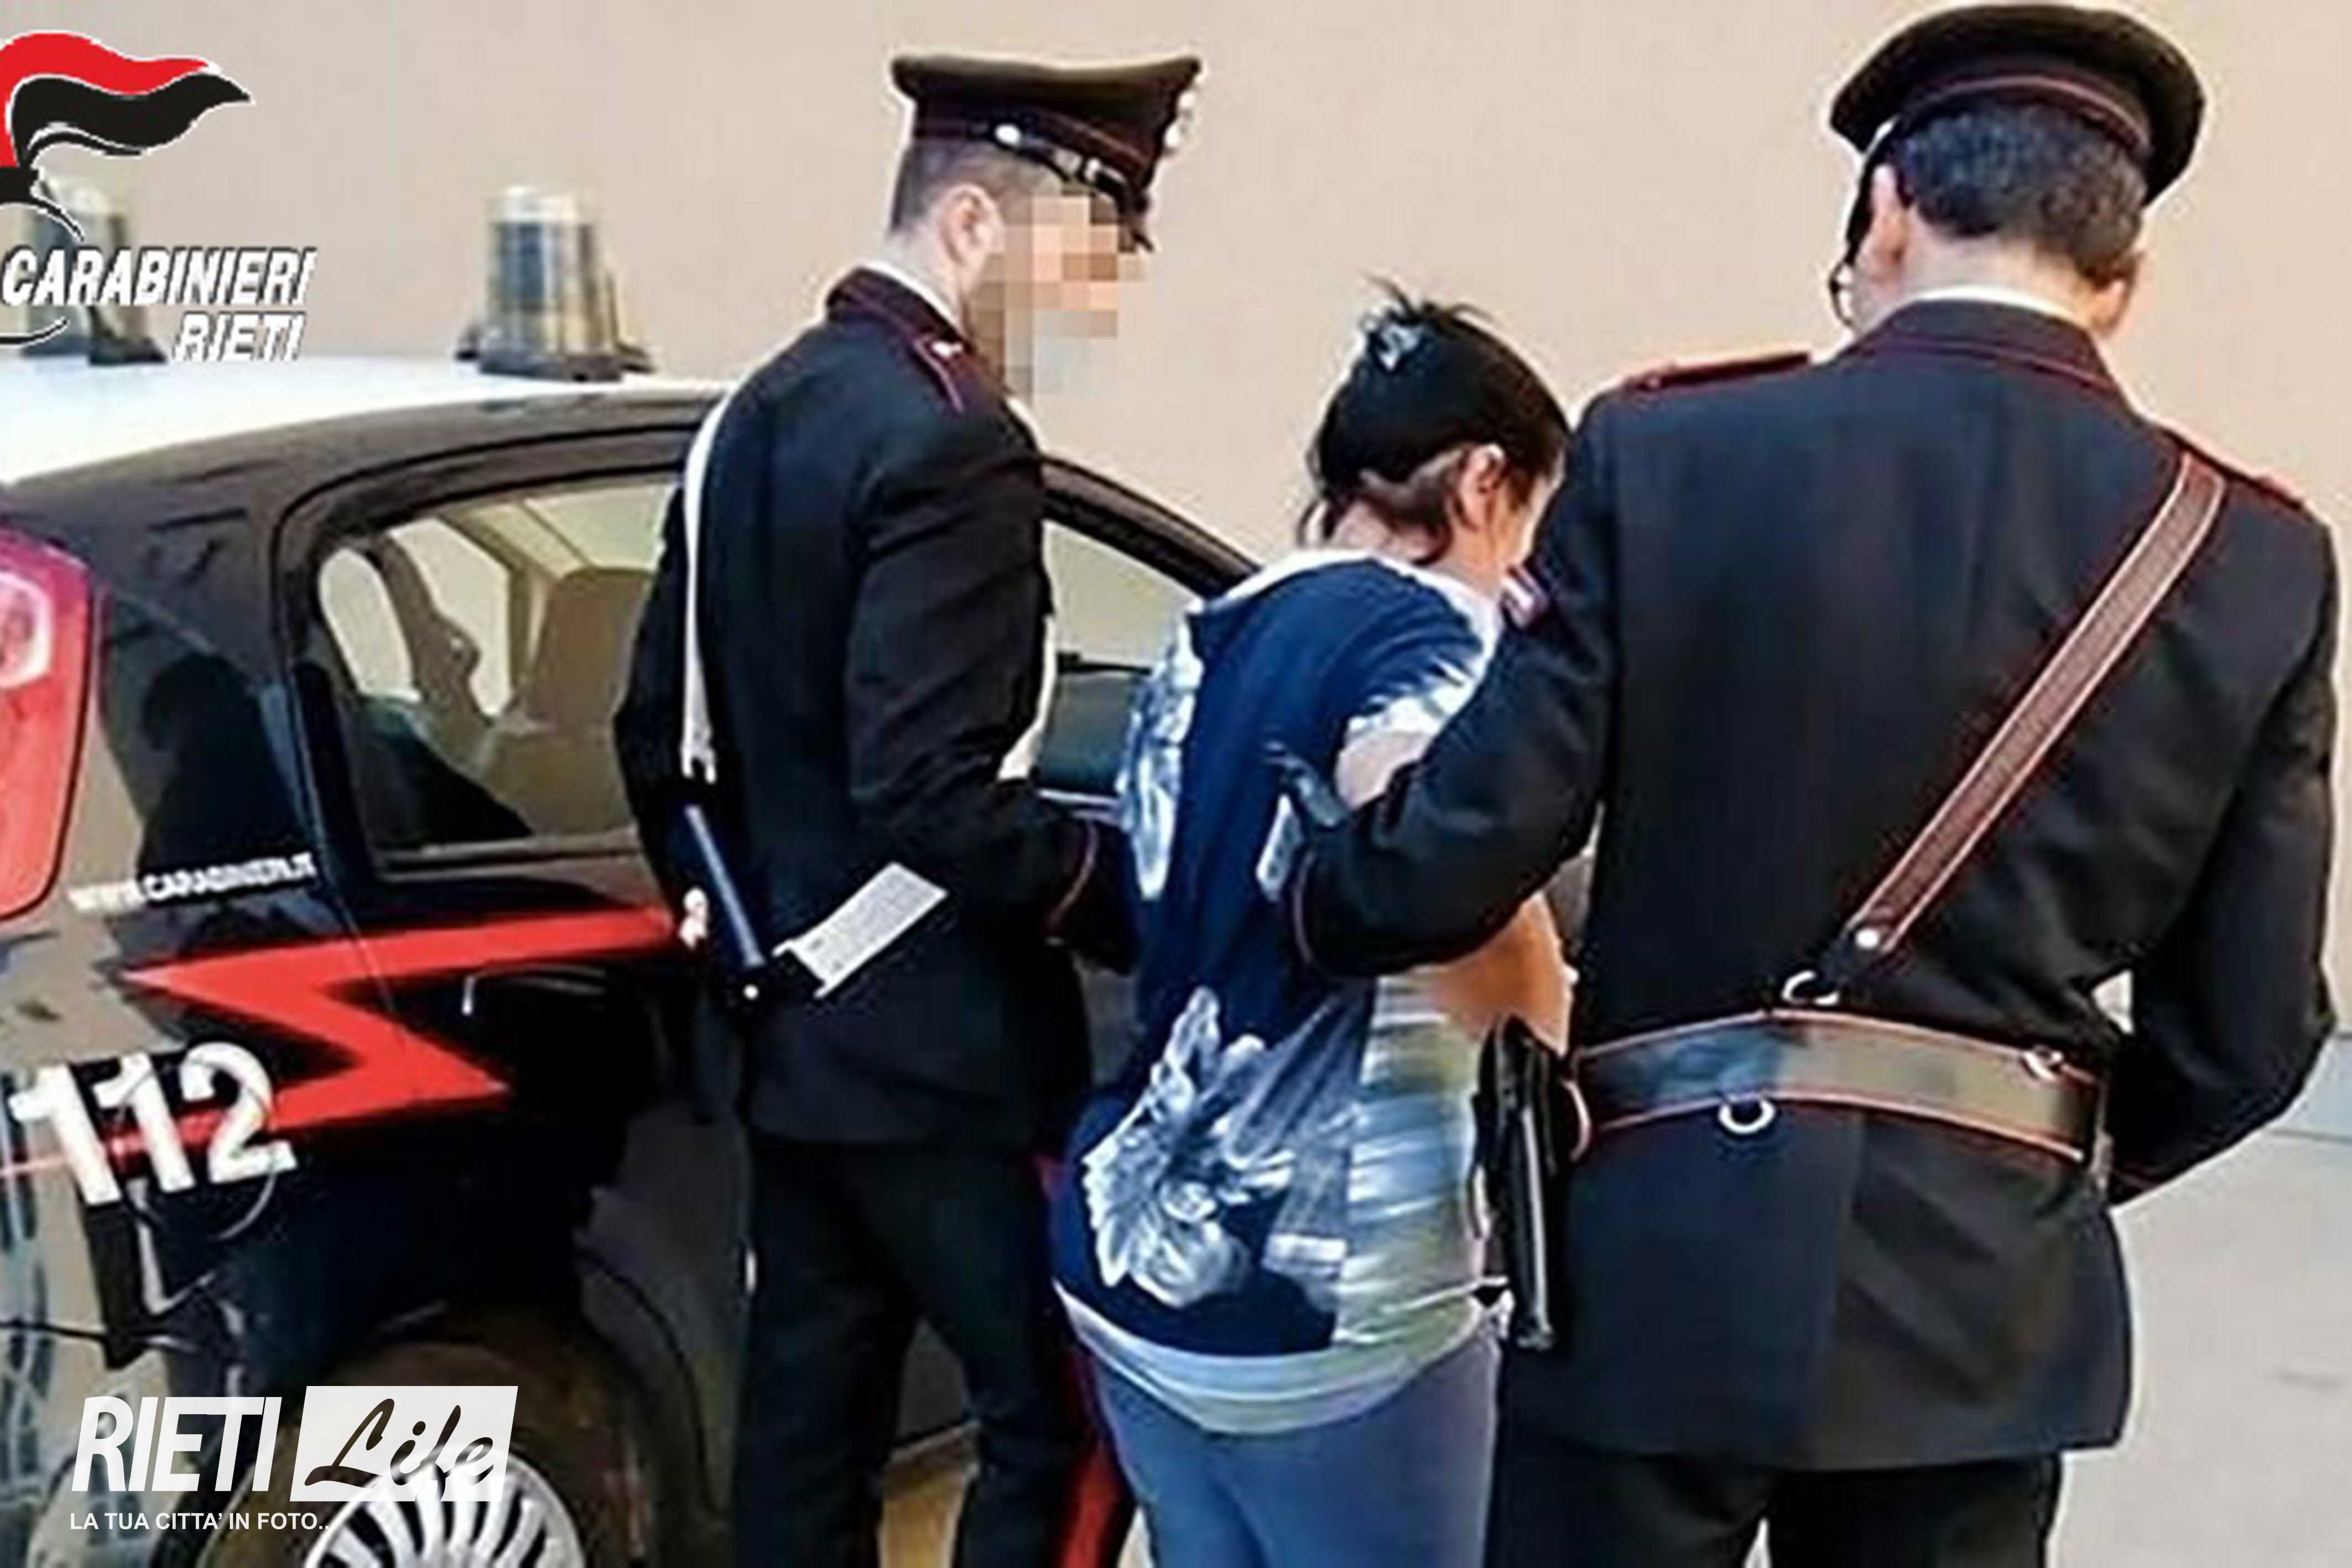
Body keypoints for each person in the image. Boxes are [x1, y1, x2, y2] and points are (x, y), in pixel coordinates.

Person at [1290, 7, 2335, 1566]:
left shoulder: (1667, 452)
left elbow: (1456, 855)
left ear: (1886, 211)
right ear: (2121, 275)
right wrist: (2018, 1156)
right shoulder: (2249, 555)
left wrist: (1319, 885)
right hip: (1981, 1305)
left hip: (1655, 1265)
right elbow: (2249, 1029)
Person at [614, 52, 1200, 1568]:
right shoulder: (955, 438)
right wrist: (1141, 898)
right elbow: (931, 787)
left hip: (789, 1037)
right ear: (973, 224)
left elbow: (655, 737)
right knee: (1055, 1426)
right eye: (1088, 263)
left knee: (808, 1430)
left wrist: (736, 920)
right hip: (944, 1053)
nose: (1094, 310)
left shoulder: (749, 413)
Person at [1049, 295, 1574, 1568]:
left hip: (1133, 1255)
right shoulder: (1432, 629)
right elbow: (1424, 852)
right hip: (1326, 1293)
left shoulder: (1211, 627)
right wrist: (1548, 1028)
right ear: (1484, 481)